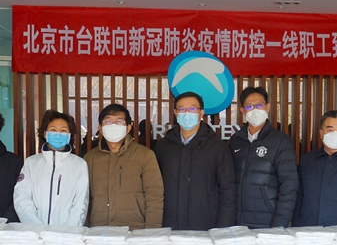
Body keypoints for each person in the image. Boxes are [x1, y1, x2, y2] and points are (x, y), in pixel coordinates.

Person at [154, 91, 236, 230]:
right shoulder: (163, 146)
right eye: (182, 109)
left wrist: (223, 228)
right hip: (169, 224)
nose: (187, 113)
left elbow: (227, 190)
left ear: (201, 113)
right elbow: (154, 187)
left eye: (192, 109)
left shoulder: (217, 147)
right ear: (175, 113)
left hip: (206, 225)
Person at [84, 104, 164, 229]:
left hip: (134, 231)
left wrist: (151, 231)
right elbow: (84, 199)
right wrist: (85, 229)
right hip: (99, 231)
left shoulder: (145, 155)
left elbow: (154, 196)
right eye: (108, 121)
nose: (113, 125)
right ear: (100, 128)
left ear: (128, 128)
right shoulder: (90, 158)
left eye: (119, 121)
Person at [229, 86, 298, 228]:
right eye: (249, 106)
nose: (255, 109)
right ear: (242, 111)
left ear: (268, 107)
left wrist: (280, 223)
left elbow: (289, 186)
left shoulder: (280, 141)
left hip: (268, 222)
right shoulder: (236, 140)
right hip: (237, 221)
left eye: (259, 105)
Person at [13, 110, 89, 226]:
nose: (58, 134)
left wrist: (68, 231)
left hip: (68, 234)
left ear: (70, 135)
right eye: (53, 130)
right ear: (45, 133)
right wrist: (38, 229)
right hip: (35, 232)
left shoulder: (79, 165)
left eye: (63, 130)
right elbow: (22, 198)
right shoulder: (31, 163)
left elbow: (80, 203)